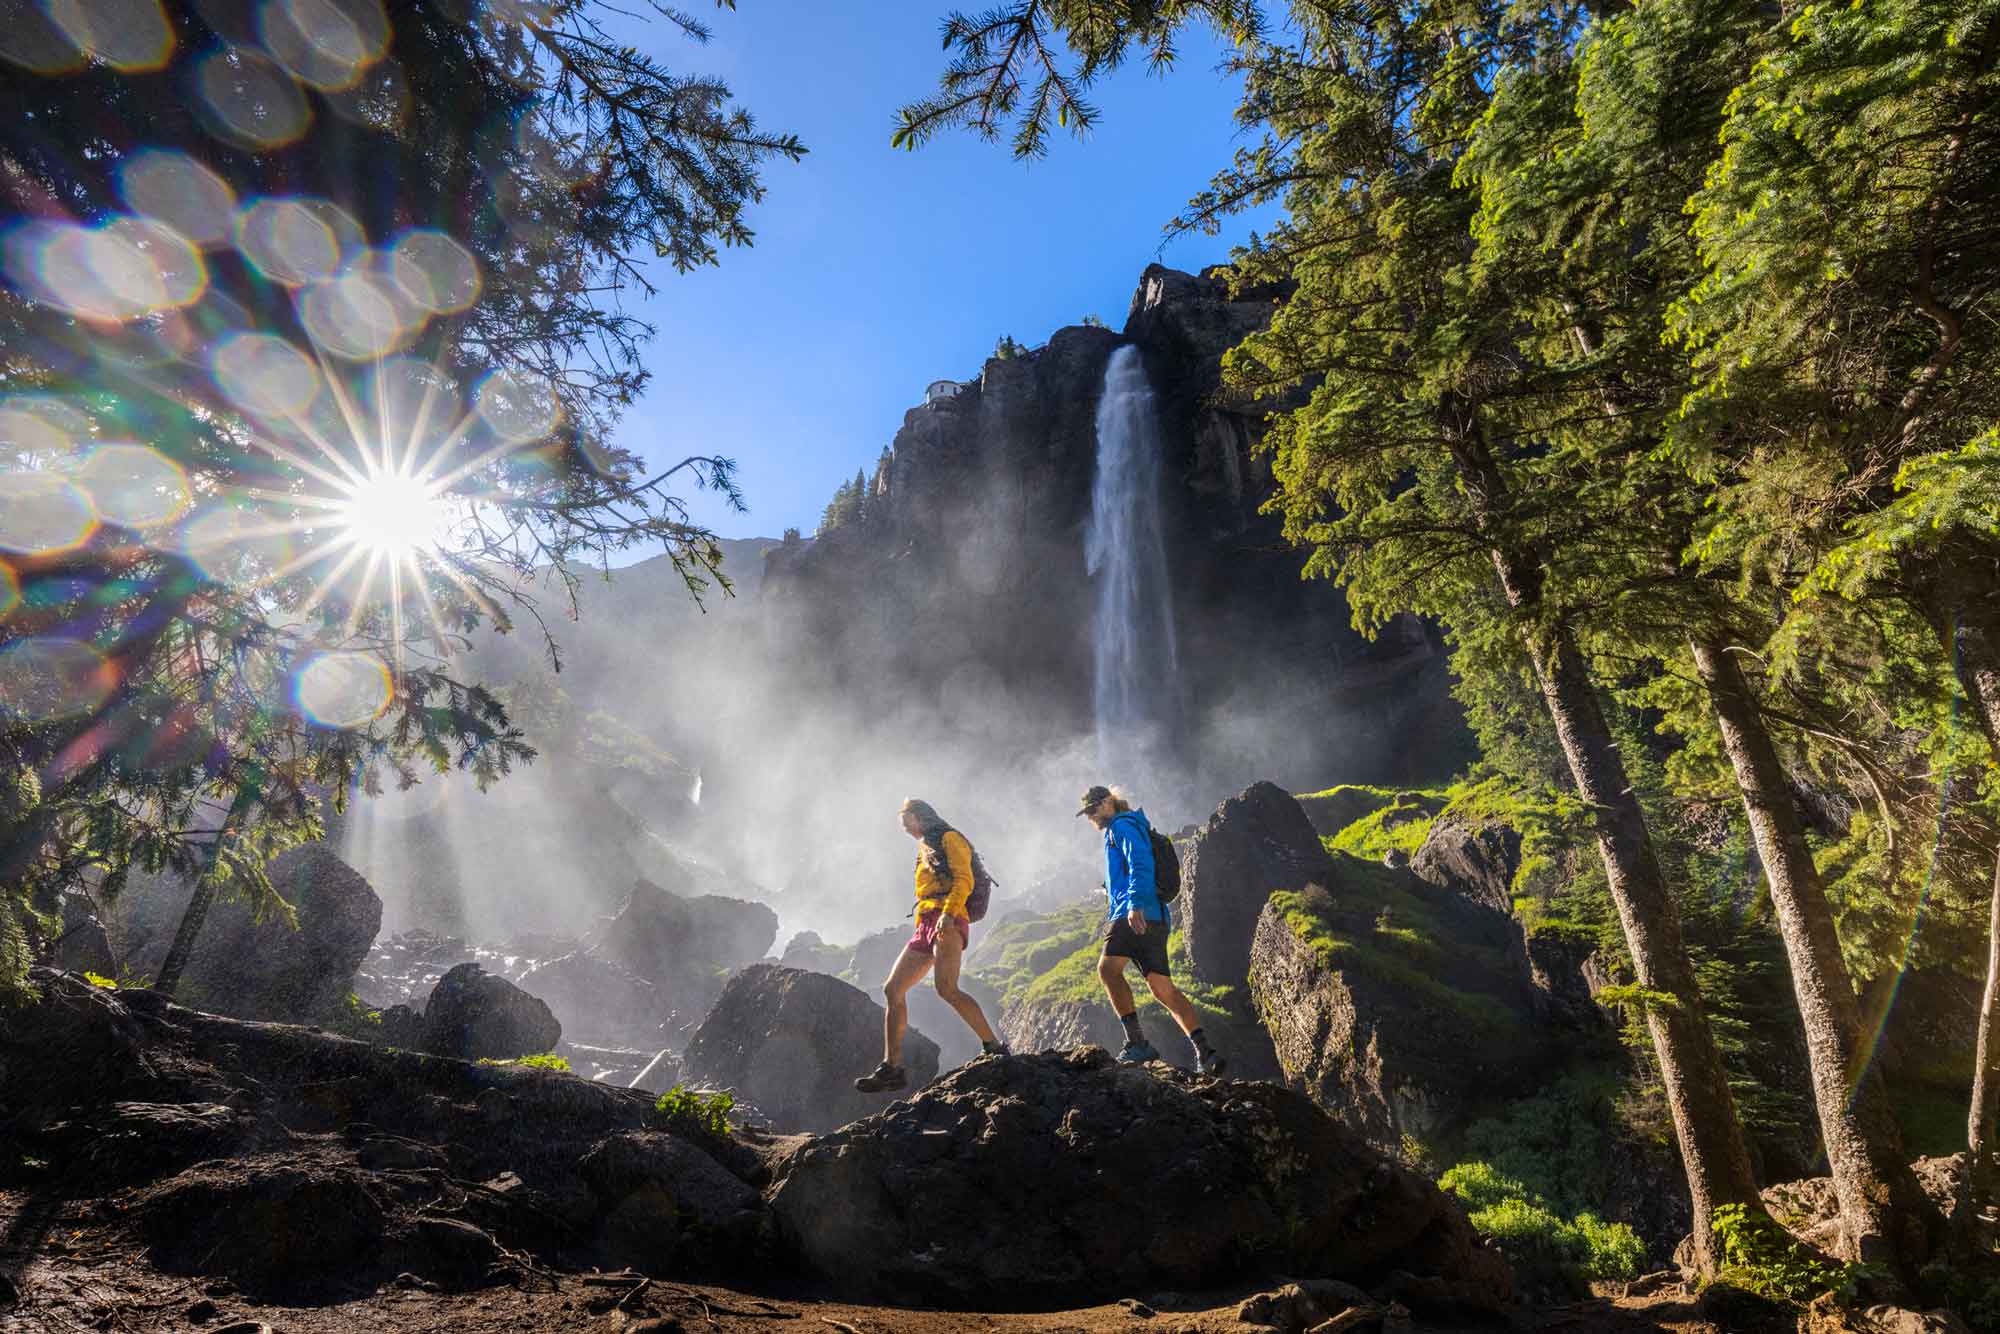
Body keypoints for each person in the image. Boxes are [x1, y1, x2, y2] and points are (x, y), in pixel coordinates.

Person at [855, 798, 1009, 1092]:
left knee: (947, 988)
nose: (903, 828)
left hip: (948, 919)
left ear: (916, 816)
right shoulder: (925, 845)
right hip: (927, 922)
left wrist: (949, 914)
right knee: (893, 989)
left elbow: (963, 879)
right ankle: (892, 1067)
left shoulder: (950, 838)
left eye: (904, 821)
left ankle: (994, 1047)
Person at [1077, 784, 1226, 1074]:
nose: (1091, 817)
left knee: (1107, 970)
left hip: (1134, 912)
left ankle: (1137, 1044)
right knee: (1162, 988)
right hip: (1155, 916)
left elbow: (1140, 861)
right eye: (1087, 813)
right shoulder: (1132, 824)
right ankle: (1206, 1053)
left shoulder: (1121, 825)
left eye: (1094, 809)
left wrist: (1133, 904)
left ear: (1108, 802)